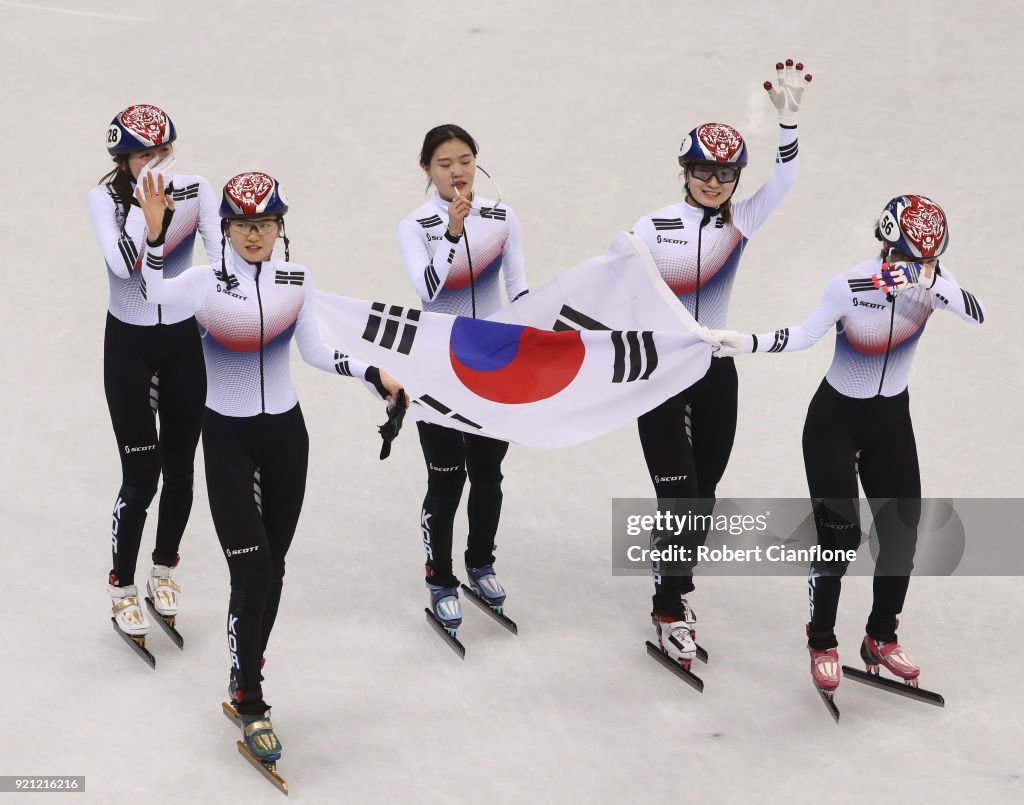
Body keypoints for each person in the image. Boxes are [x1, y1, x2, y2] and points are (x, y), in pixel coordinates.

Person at [135, 170, 404, 763]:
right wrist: (155, 238)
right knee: (252, 572)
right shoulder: (204, 281)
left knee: (274, 570)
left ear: (280, 228)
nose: (254, 234)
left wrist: (372, 375)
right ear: (226, 229)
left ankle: (246, 665)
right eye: (242, 225)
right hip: (226, 436)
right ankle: (250, 699)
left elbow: (315, 351)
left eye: (264, 223)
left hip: (287, 437)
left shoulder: (295, 280)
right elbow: (153, 295)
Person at [711, 194, 985, 695]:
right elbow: (802, 335)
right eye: (906, 257)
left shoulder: (932, 285)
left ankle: (881, 636)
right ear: (885, 244)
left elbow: (977, 314)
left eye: (928, 259)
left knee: (902, 534)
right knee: (839, 539)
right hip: (834, 424)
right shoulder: (849, 285)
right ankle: (821, 641)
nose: (916, 268)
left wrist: (931, 280)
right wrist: (745, 342)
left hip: (891, 423)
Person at [629, 62, 811, 667]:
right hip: (661, 375)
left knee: (701, 499)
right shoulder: (651, 227)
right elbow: (608, 291)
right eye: (704, 170)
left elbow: (785, 179)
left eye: (726, 173)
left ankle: (673, 577)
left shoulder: (740, 221)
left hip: (716, 373)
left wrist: (787, 123)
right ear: (685, 171)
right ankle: (669, 606)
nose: (714, 182)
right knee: (678, 496)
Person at [87, 104, 220, 647]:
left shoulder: (196, 189)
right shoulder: (105, 199)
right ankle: (121, 586)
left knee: (182, 468)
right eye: (141, 156)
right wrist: (148, 214)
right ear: (122, 159)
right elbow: (124, 266)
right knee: (141, 476)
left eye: (160, 153)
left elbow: (222, 257)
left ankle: (163, 571)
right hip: (131, 346)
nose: (152, 165)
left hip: (185, 342)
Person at [396, 124, 529, 634]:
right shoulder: (415, 224)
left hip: (492, 364)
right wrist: (452, 234)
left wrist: (535, 335)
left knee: (489, 474)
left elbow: (517, 287)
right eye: (445, 163)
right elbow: (429, 289)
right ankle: (441, 578)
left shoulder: (502, 217)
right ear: (427, 170)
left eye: (466, 160)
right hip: (438, 367)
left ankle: (480, 563)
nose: (457, 171)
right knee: (447, 478)